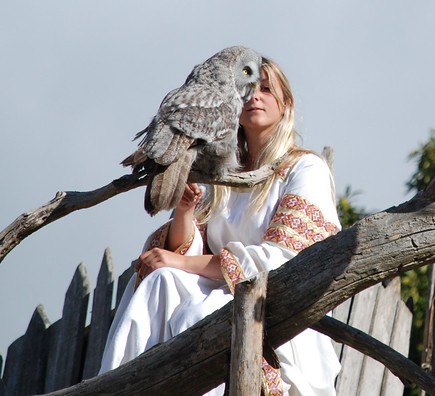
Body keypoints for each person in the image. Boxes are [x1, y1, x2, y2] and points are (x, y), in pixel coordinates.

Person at [99, 55, 342, 395]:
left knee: (200, 308)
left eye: (267, 90)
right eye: (249, 89)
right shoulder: (224, 174)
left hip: (275, 309)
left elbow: (285, 262)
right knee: (160, 282)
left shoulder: (305, 169)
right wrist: (185, 211)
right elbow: (186, 250)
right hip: (220, 288)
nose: (255, 96)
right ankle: (121, 387)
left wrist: (181, 261)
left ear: (286, 103)